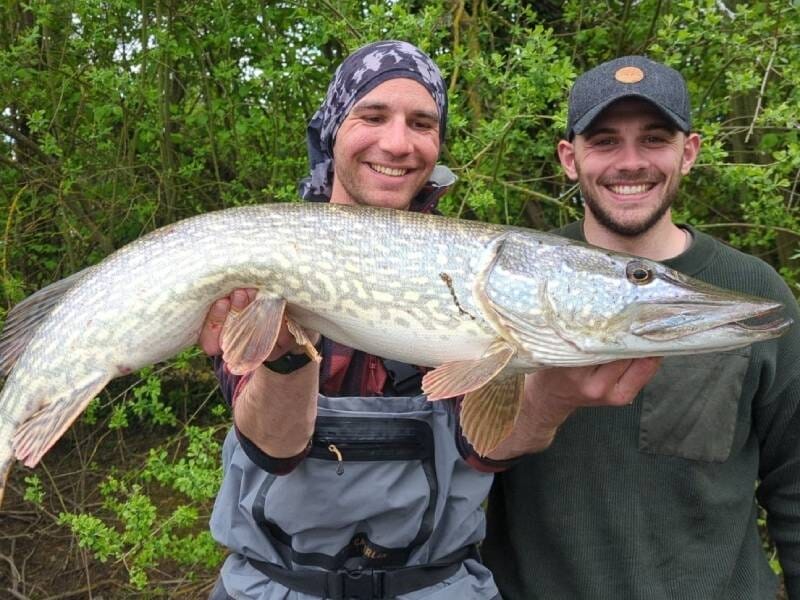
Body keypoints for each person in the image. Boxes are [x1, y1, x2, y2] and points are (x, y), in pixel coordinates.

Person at [198, 40, 657, 600]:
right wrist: (288, 356)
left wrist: (554, 394)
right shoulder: (266, 253)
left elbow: (484, 447)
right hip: (275, 585)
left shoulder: (474, 275)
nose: (397, 142)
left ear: (436, 145)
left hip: (436, 585)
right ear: (334, 131)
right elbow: (274, 448)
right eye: (372, 116)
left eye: (421, 123)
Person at [482, 55, 800, 600]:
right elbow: (468, 458)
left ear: (689, 151)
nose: (630, 162)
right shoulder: (505, 279)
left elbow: (795, 483)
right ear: (569, 157)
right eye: (604, 141)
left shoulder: (756, 293)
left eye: (654, 138)